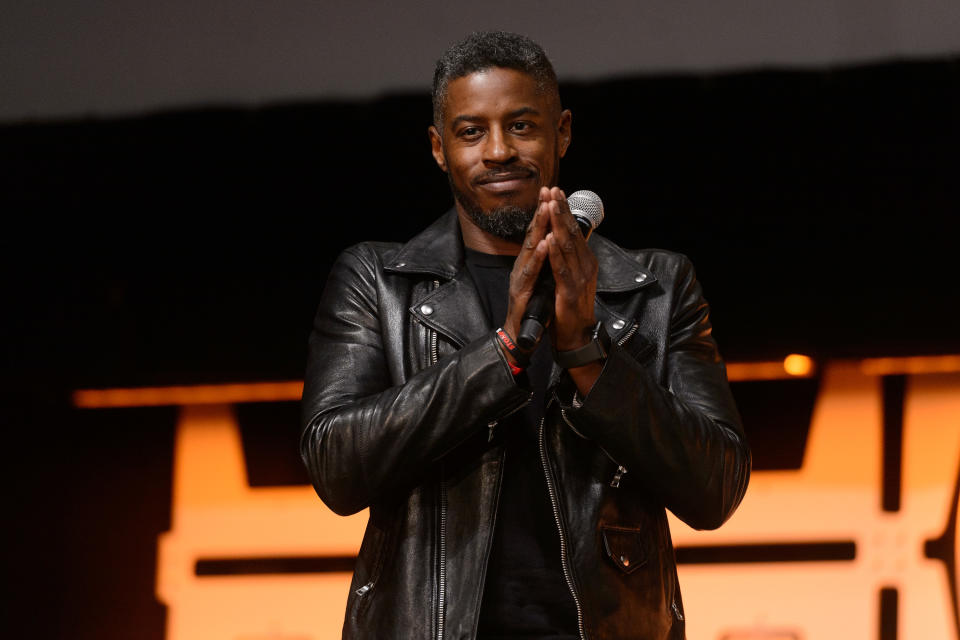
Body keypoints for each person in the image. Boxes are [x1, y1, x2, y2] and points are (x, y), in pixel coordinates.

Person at [301, 31, 750, 640]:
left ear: (561, 132)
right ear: (438, 147)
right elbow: (335, 465)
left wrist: (588, 355)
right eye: (469, 132)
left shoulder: (657, 286)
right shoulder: (379, 282)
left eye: (520, 126)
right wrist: (502, 351)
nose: (497, 151)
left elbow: (715, 488)